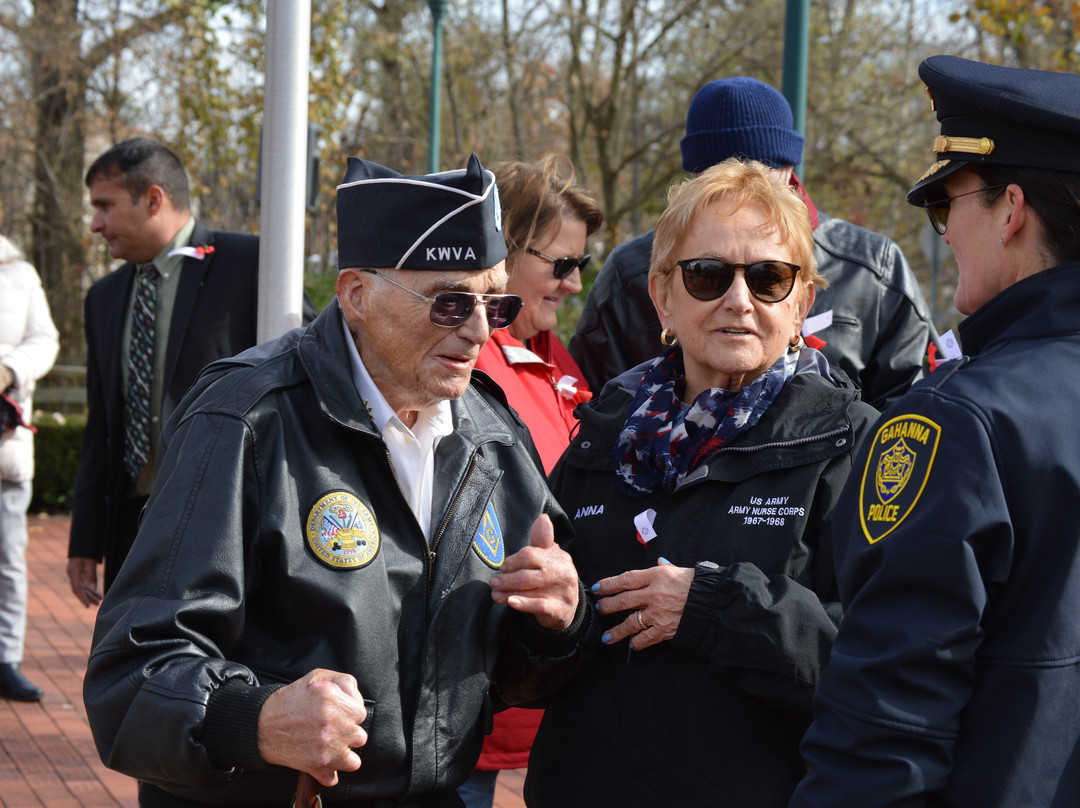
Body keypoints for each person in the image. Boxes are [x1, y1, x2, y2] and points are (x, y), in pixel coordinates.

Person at [83, 154, 595, 808]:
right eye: (449, 302)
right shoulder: (244, 420)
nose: (476, 331)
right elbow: (131, 676)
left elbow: (509, 679)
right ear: (356, 295)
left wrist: (558, 621)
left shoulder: (494, 437)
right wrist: (257, 721)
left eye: (493, 303)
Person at [524, 158, 878, 808]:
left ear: (802, 302)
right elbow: (522, 677)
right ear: (662, 295)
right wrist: (551, 621)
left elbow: (884, 666)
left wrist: (718, 610)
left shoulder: (854, 447)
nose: (738, 300)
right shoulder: (600, 437)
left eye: (769, 278)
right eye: (709, 275)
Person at [789, 56, 1080, 808]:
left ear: (1011, 209)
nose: (946, 232)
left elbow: (884, 733)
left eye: (947, 204)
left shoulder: (957, 423)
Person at [569, 76, 938, 411]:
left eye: (771, 279)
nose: (743, 190)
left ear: (790, 169)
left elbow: (912, 409)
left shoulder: (872, 269)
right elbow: (593, 409)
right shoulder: (630, 273)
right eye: (706, 276)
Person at [68, 137, 265, 604]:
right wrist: (85, 542)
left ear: (153, 199)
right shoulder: (103, 297)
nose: (95, 224)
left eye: (104, 206)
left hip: (226, 528)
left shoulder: (253, 265)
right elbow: (102, 426)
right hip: (129, 532)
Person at [460, 155, 601, 806]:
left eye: (582, 266)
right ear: (507, 249)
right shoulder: (461, 359)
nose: (574, 284)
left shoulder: (553, 356)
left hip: (540, 681)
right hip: (466, 694)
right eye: (562, 264)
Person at [0, 199, 59, 701]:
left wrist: (9, 370)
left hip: (5, 442)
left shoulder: (18, 273)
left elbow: (45, 339)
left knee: (7, 555)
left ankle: (5, 659)